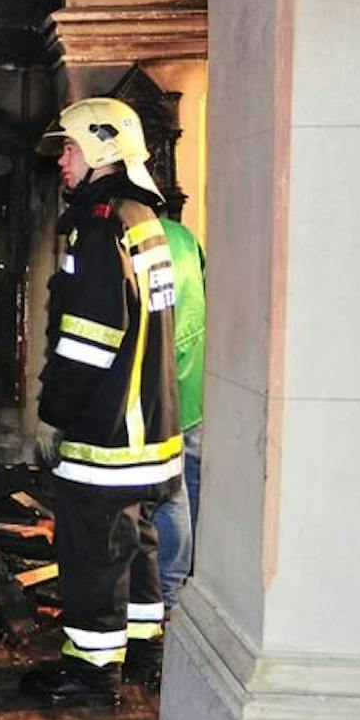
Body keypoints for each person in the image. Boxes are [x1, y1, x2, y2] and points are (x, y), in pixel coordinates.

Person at [23, 97, 184, 707]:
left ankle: (90, 673)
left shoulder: (99, 222)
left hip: (107, 429)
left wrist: (56, 410)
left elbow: (90, 338)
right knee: (135, 540)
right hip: (150, 425)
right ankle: (142, 650)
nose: (60, 160)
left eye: (68, 147)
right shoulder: (143, 217)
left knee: (93, 550)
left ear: (101, 148)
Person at [153, 215, 206, 612]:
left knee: (171, 493)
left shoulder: (132, 235)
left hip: (164, 384)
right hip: (194, 380)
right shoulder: (183, 237)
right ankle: (187, 580)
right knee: (189, 479)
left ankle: (168, 594)